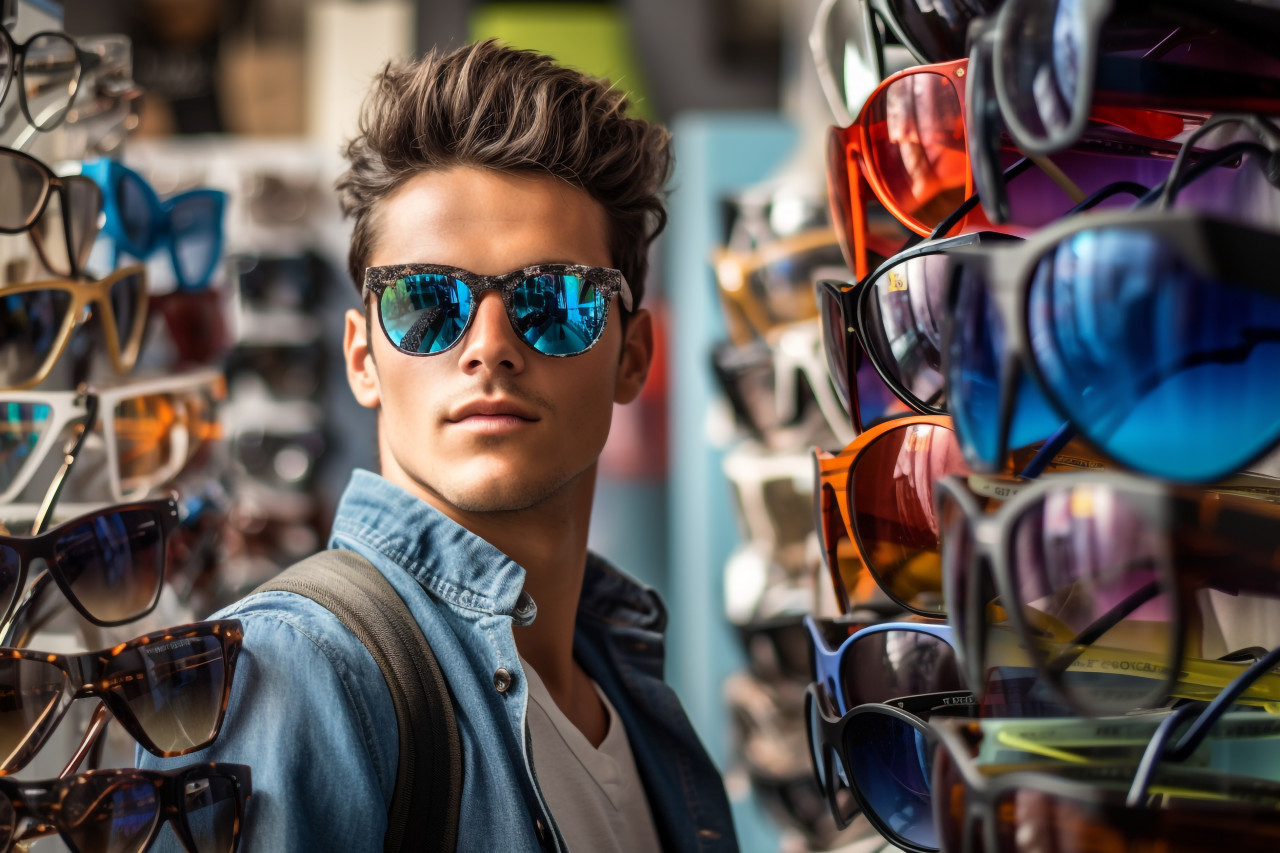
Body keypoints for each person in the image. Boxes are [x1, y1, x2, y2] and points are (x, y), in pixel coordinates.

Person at [139, 38, 740, 853]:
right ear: (362, 357)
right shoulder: (296, 673)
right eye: (427, 302)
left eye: (555, 300)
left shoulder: (622, 683)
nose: (488, 346)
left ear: (632, 356)